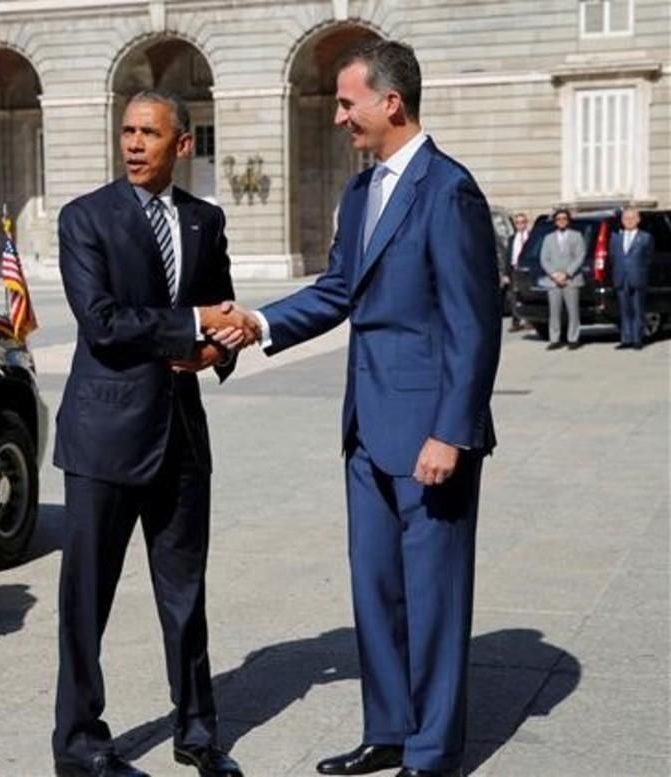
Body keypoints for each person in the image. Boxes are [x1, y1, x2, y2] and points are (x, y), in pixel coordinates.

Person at [206, 39, 500, 777]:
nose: (339, 117)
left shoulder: (448, 189)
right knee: (375, 589)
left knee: (433, 599)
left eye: (347, 103)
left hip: (430, 435)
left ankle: (431, 755)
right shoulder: (360, 193)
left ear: (389, 102)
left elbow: (474, 324)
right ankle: (389, 729)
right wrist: (259, 323)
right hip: (364, 429)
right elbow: (340, 290)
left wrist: (451, 432)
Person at [51, 90, 244, 777]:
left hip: (182, 439)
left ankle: (197, 732)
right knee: (85, 602)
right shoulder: (85, 218)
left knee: (186, 598)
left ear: (182, 145)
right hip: (103, 436)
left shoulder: (205, 220)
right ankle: (78, 744)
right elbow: (102, 322)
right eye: (127, 131)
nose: (133, 144)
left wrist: (218, 347)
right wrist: (193, 323)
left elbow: (223, 317)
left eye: (149, 133)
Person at [538, 208, 586, 350]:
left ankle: (573, 338)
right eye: (558, 219)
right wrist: (554, 274)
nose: (561, 221)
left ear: (568, 220)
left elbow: (580, 256)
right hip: (553, 280)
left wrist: (567, 273)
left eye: (564, 219)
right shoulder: (548, 238)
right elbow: (544, 259)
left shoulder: (576, 236)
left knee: (573, 311)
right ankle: (555, 338)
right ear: (555, 221)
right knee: (554, 311)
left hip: (571, 279)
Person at [610, 206, 654, 350]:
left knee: (637, 309)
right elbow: (613, 257)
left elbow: (648, 258)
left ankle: (637, 339)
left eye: (632, 218)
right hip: (620, 277)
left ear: (638, 220)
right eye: (626, 218)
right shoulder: (615, 237)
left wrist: (640, 272)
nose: (629, 221)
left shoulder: (646, 237)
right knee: (624, 309)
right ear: (622, 220)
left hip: (638, 277)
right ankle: (626, 339)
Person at [504, 212, 530, 331]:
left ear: (526, 223)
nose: (520, 225)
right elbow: (508, 256)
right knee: (514, 296)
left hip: (527, 270)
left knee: (527, 295)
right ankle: (516, 321)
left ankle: (529, 320)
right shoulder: (512, 238)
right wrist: (506, 273)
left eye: (522, 222)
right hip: (515, 269)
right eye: (517, 223)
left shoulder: (530, 236)